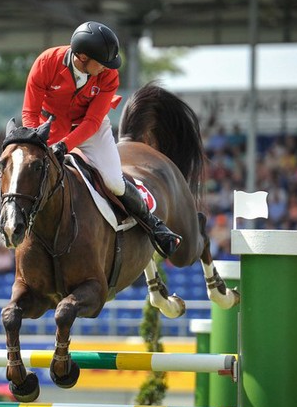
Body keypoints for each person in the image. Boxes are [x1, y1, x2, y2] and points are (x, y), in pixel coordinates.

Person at [21, 21, 180, 257]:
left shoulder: (108, 76)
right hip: (49, 128)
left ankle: (154, 225)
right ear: (82, 57)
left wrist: (65, 145)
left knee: (114, 181)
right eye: (103, 63)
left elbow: (92, 122)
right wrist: (36, 142)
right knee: (25, 172)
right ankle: (14, 225)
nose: (107, 68)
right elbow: (29, 113)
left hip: (90, 130)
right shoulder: (46, 63)